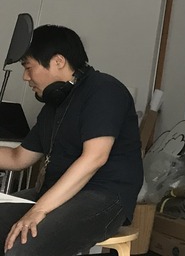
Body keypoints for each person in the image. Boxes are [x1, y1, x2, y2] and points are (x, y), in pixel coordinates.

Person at [0, 25, 143, 255]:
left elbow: (94, 158)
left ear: (58, 61)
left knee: (23, 247)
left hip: (103, 196)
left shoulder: (104, 90)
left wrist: (38, 210)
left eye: (28, 67)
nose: (25, 77)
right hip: (55, 193)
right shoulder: (53, 104)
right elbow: (18, 158)